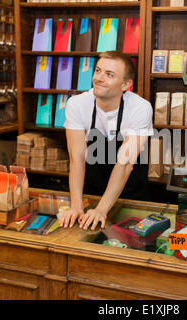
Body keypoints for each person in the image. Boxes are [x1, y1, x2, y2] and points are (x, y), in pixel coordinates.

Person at [59, 51, 153, 231]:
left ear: (126, 84)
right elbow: (76, 160)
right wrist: (77, 206)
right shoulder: (77, 104)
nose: (99, 78)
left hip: (131, 195)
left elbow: (125, 165)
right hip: (91, 192)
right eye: (98, 71)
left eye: (109, 74)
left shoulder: (140, 108)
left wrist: (101, 210)